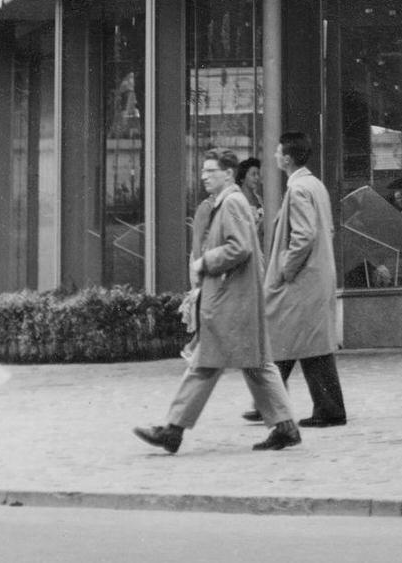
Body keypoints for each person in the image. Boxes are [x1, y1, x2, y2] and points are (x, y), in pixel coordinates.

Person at [133, 150, 300, 454]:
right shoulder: (229, 203)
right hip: (236, 301)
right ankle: (285, 426)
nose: (204, 175)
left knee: (205, 365)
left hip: (230, 302)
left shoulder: (232, 203)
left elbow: (241, 248)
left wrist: (204, 262)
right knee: (257, 364)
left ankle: (173, 430)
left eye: (211, 170)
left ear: (228, 174)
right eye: (203, 171)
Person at [248, 131, 347, 428]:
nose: (275, 156)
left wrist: (285, 270)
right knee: (306, 343)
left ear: (287, 158)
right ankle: (277, 402)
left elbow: (303, 236)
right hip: (317, 275)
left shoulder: (299, 189)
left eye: (278, 152)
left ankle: (285, 404)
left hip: (303, 279)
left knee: (291, 339)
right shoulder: (315, 185)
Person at [236, 156, 264, 221]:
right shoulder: (237, 199)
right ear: (242, 178)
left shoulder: (259, 198)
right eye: (253, 174)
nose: (257, 177)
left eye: (258, 174)